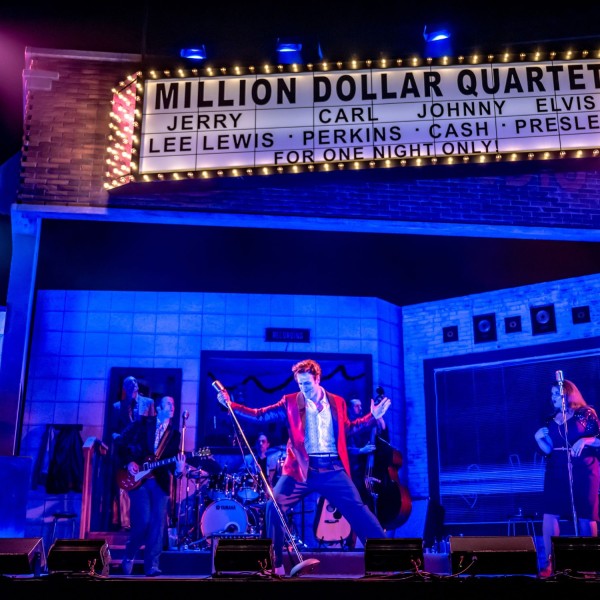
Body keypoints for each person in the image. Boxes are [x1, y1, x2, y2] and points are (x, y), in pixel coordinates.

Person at [216, 358, 391, 576]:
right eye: (300, 384)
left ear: (318, 379)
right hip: (300, 470)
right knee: (274, 507)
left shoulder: (337, 402)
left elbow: (348, 430)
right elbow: (260, 416)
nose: (303, 389)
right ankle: (275, 565)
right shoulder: (290, 402)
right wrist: (231, 406)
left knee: (359, 511)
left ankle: (386, 561)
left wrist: (372, 418)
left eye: (307, 384)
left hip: (332, 469)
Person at [534, 378, 600, 577]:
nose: (553, 398)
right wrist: (538, 439)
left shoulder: (585, 413)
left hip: (583, 468)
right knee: (550, 513)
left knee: (585, 515)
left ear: (568, 394)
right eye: (552, 394)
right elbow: (548, 450)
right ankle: (550, 562)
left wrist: (586, 440)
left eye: (557, 394)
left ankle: (589, 563)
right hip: (556, 468)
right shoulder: (550, 419)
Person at [117, 395, 186, 576]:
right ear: (159, 408)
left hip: (160, 482)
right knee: (143, 522)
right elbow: (121, 442)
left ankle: (152, 566)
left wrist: (179, 469)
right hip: (138, 480)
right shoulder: (142, 424)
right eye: (169, 404)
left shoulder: (174, 434)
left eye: (174, 404)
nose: (173, 407)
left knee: (157, 524)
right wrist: (129, 461)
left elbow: (172, 465)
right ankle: (129, 554)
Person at [109, 376, 155, 530]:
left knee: (143, 486)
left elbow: (152, 430)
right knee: (124, 485)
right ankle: (125, 524)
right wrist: (118, 437)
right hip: (125, 451)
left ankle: (143, 524)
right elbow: (113, 430)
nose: (132, 385)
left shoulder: (148, 403)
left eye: (134, 382)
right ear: (124, 388)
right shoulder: (117, 406)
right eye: (128, 383)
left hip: (143, 452)